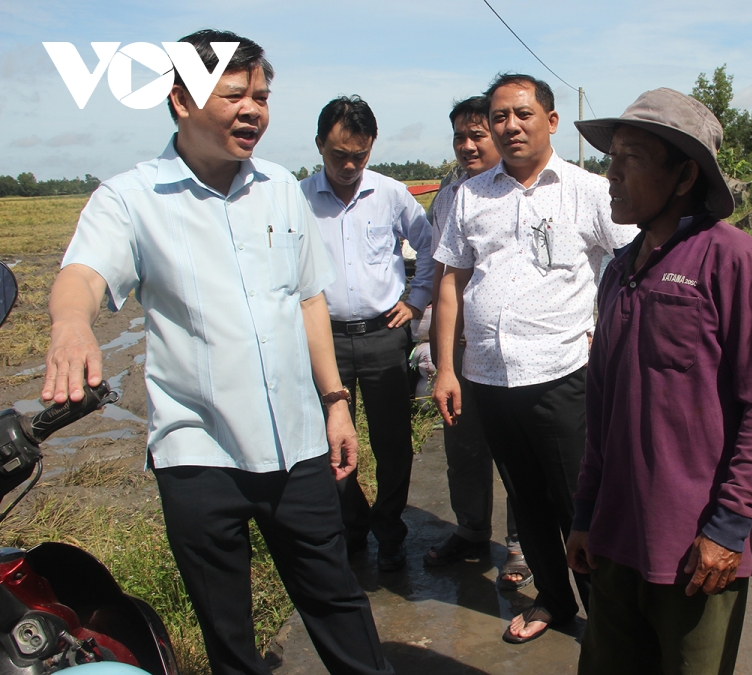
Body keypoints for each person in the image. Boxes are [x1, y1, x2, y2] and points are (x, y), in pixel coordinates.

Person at [41, 30, 393, 675]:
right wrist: (71, 326)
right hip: (198, 454)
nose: (253, 109)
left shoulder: (283, 187)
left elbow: (308, 299)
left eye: (261, 95)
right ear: (180, 99)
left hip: (297, 448)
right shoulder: (131, 198)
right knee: (228, 632)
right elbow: (85, 275)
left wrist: (336, 403)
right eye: (234, 94)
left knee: (340, 604)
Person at [565, 88, 752, 675]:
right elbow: (602, 408)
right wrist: (586, 512)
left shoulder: (740, 264)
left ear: (685, 174)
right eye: (610, 158)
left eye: (630, 159)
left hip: (697, 549)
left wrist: (730, 526)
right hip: (615, 537)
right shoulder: (620, 270)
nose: (609, 175)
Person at [432, 73, 637, 643]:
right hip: (488, 377)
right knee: (525, 498)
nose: (509, 127)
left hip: (562, 374)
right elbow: (450, 282)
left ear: (550, 121)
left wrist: (607, 334)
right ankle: (553, 598)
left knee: (577, 500)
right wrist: (446, 367)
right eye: (500, 117)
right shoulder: (469, 195)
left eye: (522, 115)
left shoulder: (586, 190)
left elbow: (630, 266)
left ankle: (605, 614)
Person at [300, 96, 434, 572]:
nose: (350, 165)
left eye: (360, 154)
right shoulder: (298, 200)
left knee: (393, 442)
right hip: (324, 341)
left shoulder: (391, 194)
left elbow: (430, 246)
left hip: (383, 335)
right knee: (330, 442)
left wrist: (416, 300)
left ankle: (390, 529)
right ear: (319, 146)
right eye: (339, 155)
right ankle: (352, 525)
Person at [422, 96, 531, 590]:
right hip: (462, 347)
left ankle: (520, 545)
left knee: (517, 448)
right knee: (464, 446)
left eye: (476, 135)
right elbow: (440, 275)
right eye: (458, 138)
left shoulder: (523, 192)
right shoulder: (448, 197)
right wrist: (441, 356)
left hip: (515, 347)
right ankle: (470, 531)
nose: (466, 146)